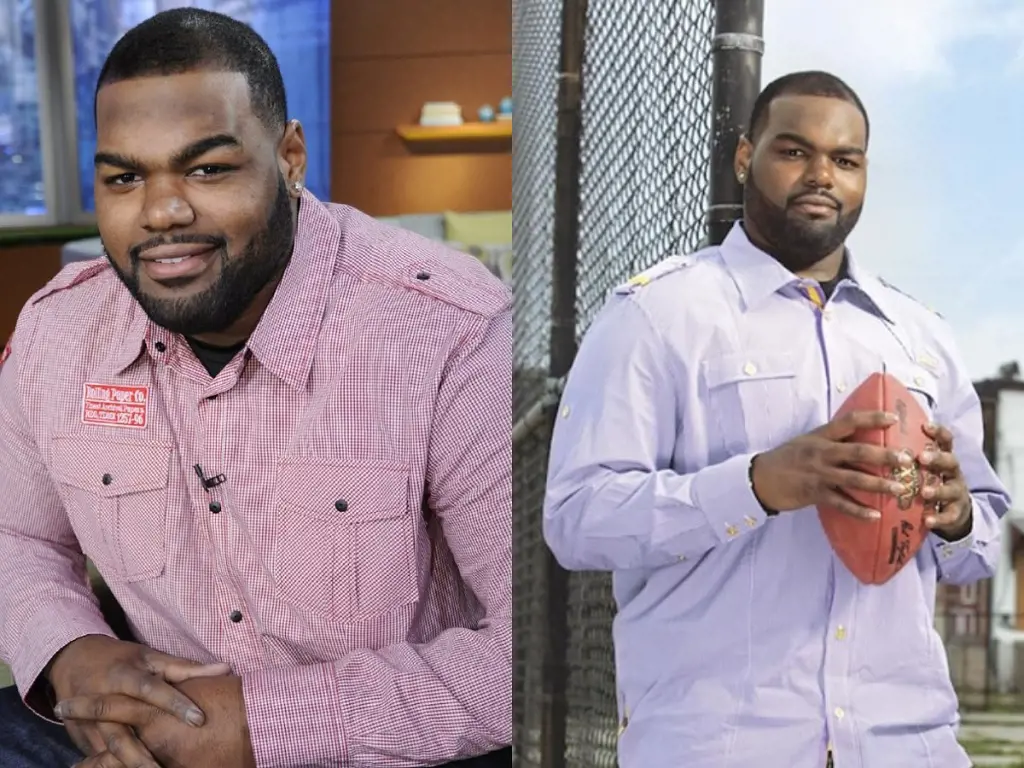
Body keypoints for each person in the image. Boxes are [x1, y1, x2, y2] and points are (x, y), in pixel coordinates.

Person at [0, 9, 512, 768]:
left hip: (390, 743)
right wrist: (75, 654)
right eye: (125, 177)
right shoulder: (58, 334)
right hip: (147, 725)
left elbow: (534, 650)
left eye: (208, 169)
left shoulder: (447, 333)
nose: (163, 212)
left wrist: (259, 726)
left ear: (290, 156)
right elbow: (17, 536)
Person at [542, 70, 1010, 768]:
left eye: (845, 160)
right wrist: (759, 485)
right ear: (744, 157)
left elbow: (987, 546)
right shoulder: (658, 315)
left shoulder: (922, 336)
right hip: (722, 746)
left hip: (905, 744)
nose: (822, 174)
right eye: (794, 151)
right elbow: (577, 520)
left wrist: (955, 514)